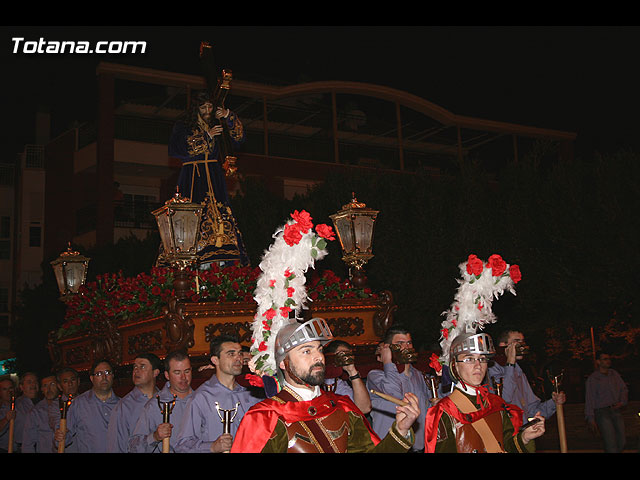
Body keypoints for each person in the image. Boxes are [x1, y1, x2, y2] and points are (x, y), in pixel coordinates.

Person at [230, 318, 420, 453]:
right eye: (306, 351)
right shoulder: (264, 417)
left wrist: (401, 430)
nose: (318, 357)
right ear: (283, 363)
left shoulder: (343, 407)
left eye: (319, 349)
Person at [425, 332, 545, 453]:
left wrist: (524, 437)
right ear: (455, 366)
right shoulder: (444, 411)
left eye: (482, 359)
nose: (478, 365)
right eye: (469, 359)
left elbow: (507, 445)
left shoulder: (496, 403)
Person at [167, 90, 248, 267]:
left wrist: (227, 116)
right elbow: (176, 148)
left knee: (219, 214)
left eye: (210, 106)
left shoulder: (218, 125)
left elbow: (238, 138)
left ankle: (220, 258)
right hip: (192, 177)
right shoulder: (183, 126)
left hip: (214, 176)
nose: (207, 110)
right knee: (190, 217)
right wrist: (207, 136)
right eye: (203, 107)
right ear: (196, 109)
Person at [174, 334, 263, 453]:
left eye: (240, 353)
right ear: (215, 360)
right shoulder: (202, 397)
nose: (238, 359)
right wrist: (211, 447)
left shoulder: (251, 395)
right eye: (231, 354)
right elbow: (182, 446)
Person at [366, 326, 431, 452]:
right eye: (400, 344)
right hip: (389, 447)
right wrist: (387, 361)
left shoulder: (419, 375)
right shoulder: (376, 375)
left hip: (417, 448)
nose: (407, 347)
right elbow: (394, 393)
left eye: (409, 343)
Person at [488, 329, 565, 423]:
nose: (522, 345)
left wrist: (554, 402)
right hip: (506, 433)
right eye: (516, 341)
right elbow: (504, 399)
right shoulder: (492, 369)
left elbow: (532, 410)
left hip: (523, 434)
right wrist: (510, 364)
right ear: (503, 345)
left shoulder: (519, 372)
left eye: (523, 342)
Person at [129, 350, 195, 453]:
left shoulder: (201, 400)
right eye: (177, 372)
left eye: (187, 371)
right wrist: (155, 437)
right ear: (167, 375)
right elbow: (134, 448)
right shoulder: (154, 405)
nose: (183, 377)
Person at [54, 359, 120, 453]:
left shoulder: (122, 405)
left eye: (107, 372)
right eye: (99, 374)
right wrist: (60, 436)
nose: (104, 377)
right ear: (92, 378)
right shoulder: (79, 404)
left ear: (113, 376)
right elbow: (63, 438)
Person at [107, 353, 161, 452]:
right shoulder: (124, 407)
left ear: (155, 372)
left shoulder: (165, 400)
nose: (136, 370)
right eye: (135, 367)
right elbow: (116, 446)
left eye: (142, 366)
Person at [585, 351, 629, 453]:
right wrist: (590, 418)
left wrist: (622, 402)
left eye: (609, 359)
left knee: (622, 440)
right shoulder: (593, 379)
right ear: (598, 362)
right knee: (610, 441)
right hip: (602, 412)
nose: (608, 361)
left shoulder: (614, 374)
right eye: (605, 359)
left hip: (615, 409)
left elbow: (623, 388)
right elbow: (589, 399)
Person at [322, 339, 372, 415]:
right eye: (341, 355)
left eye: (349, 355)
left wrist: (352, 371)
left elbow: (364, 408)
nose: (346, 358)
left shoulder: (340, 383)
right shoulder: (315, 378)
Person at [21, 375, 60, 453]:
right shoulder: (36, 412)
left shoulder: (68, 406)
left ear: (59, 386)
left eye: (52, 384)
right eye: (45, 386)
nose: (49, 389)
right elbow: (28, 443)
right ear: (41, 389)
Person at [11, 372, 39, 452]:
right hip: (23, 448)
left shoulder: (44, 404)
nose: (33, 384)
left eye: (35, 381)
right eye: (29, 382)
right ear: (21, 387)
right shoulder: (16, 405)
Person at [0, 377, 17, 452]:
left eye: (10, 388)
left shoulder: (23, 404)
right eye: (4, 389)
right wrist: (6, 419)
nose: (8, 392)